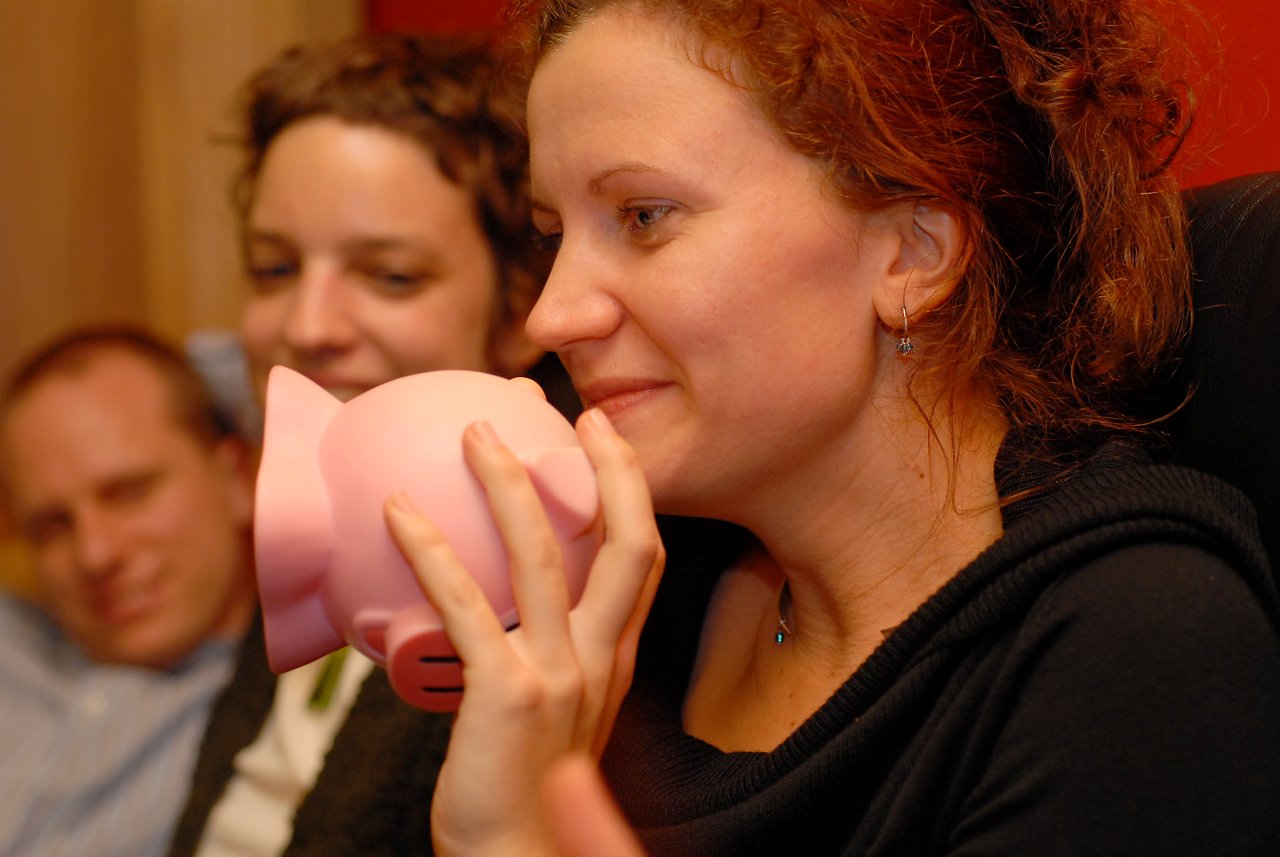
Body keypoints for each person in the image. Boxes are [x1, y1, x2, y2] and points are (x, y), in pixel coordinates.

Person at [381, 1, 1280, 855]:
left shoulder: (1135, 652)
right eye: (552, 233)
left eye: (644, 217)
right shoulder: (621, 580)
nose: (553, 314)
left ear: (911, 252)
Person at [166, 31, 562, 857]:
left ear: (521, 306)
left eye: (391, 276)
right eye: (274, 269)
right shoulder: (302, 521)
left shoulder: (543, 607)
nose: (306, 328)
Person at [0, 326, 257, 857]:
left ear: (236, 479)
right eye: (51, 525)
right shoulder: (17, 646)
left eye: (129, 492)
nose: (95, 554)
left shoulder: (282, 714)